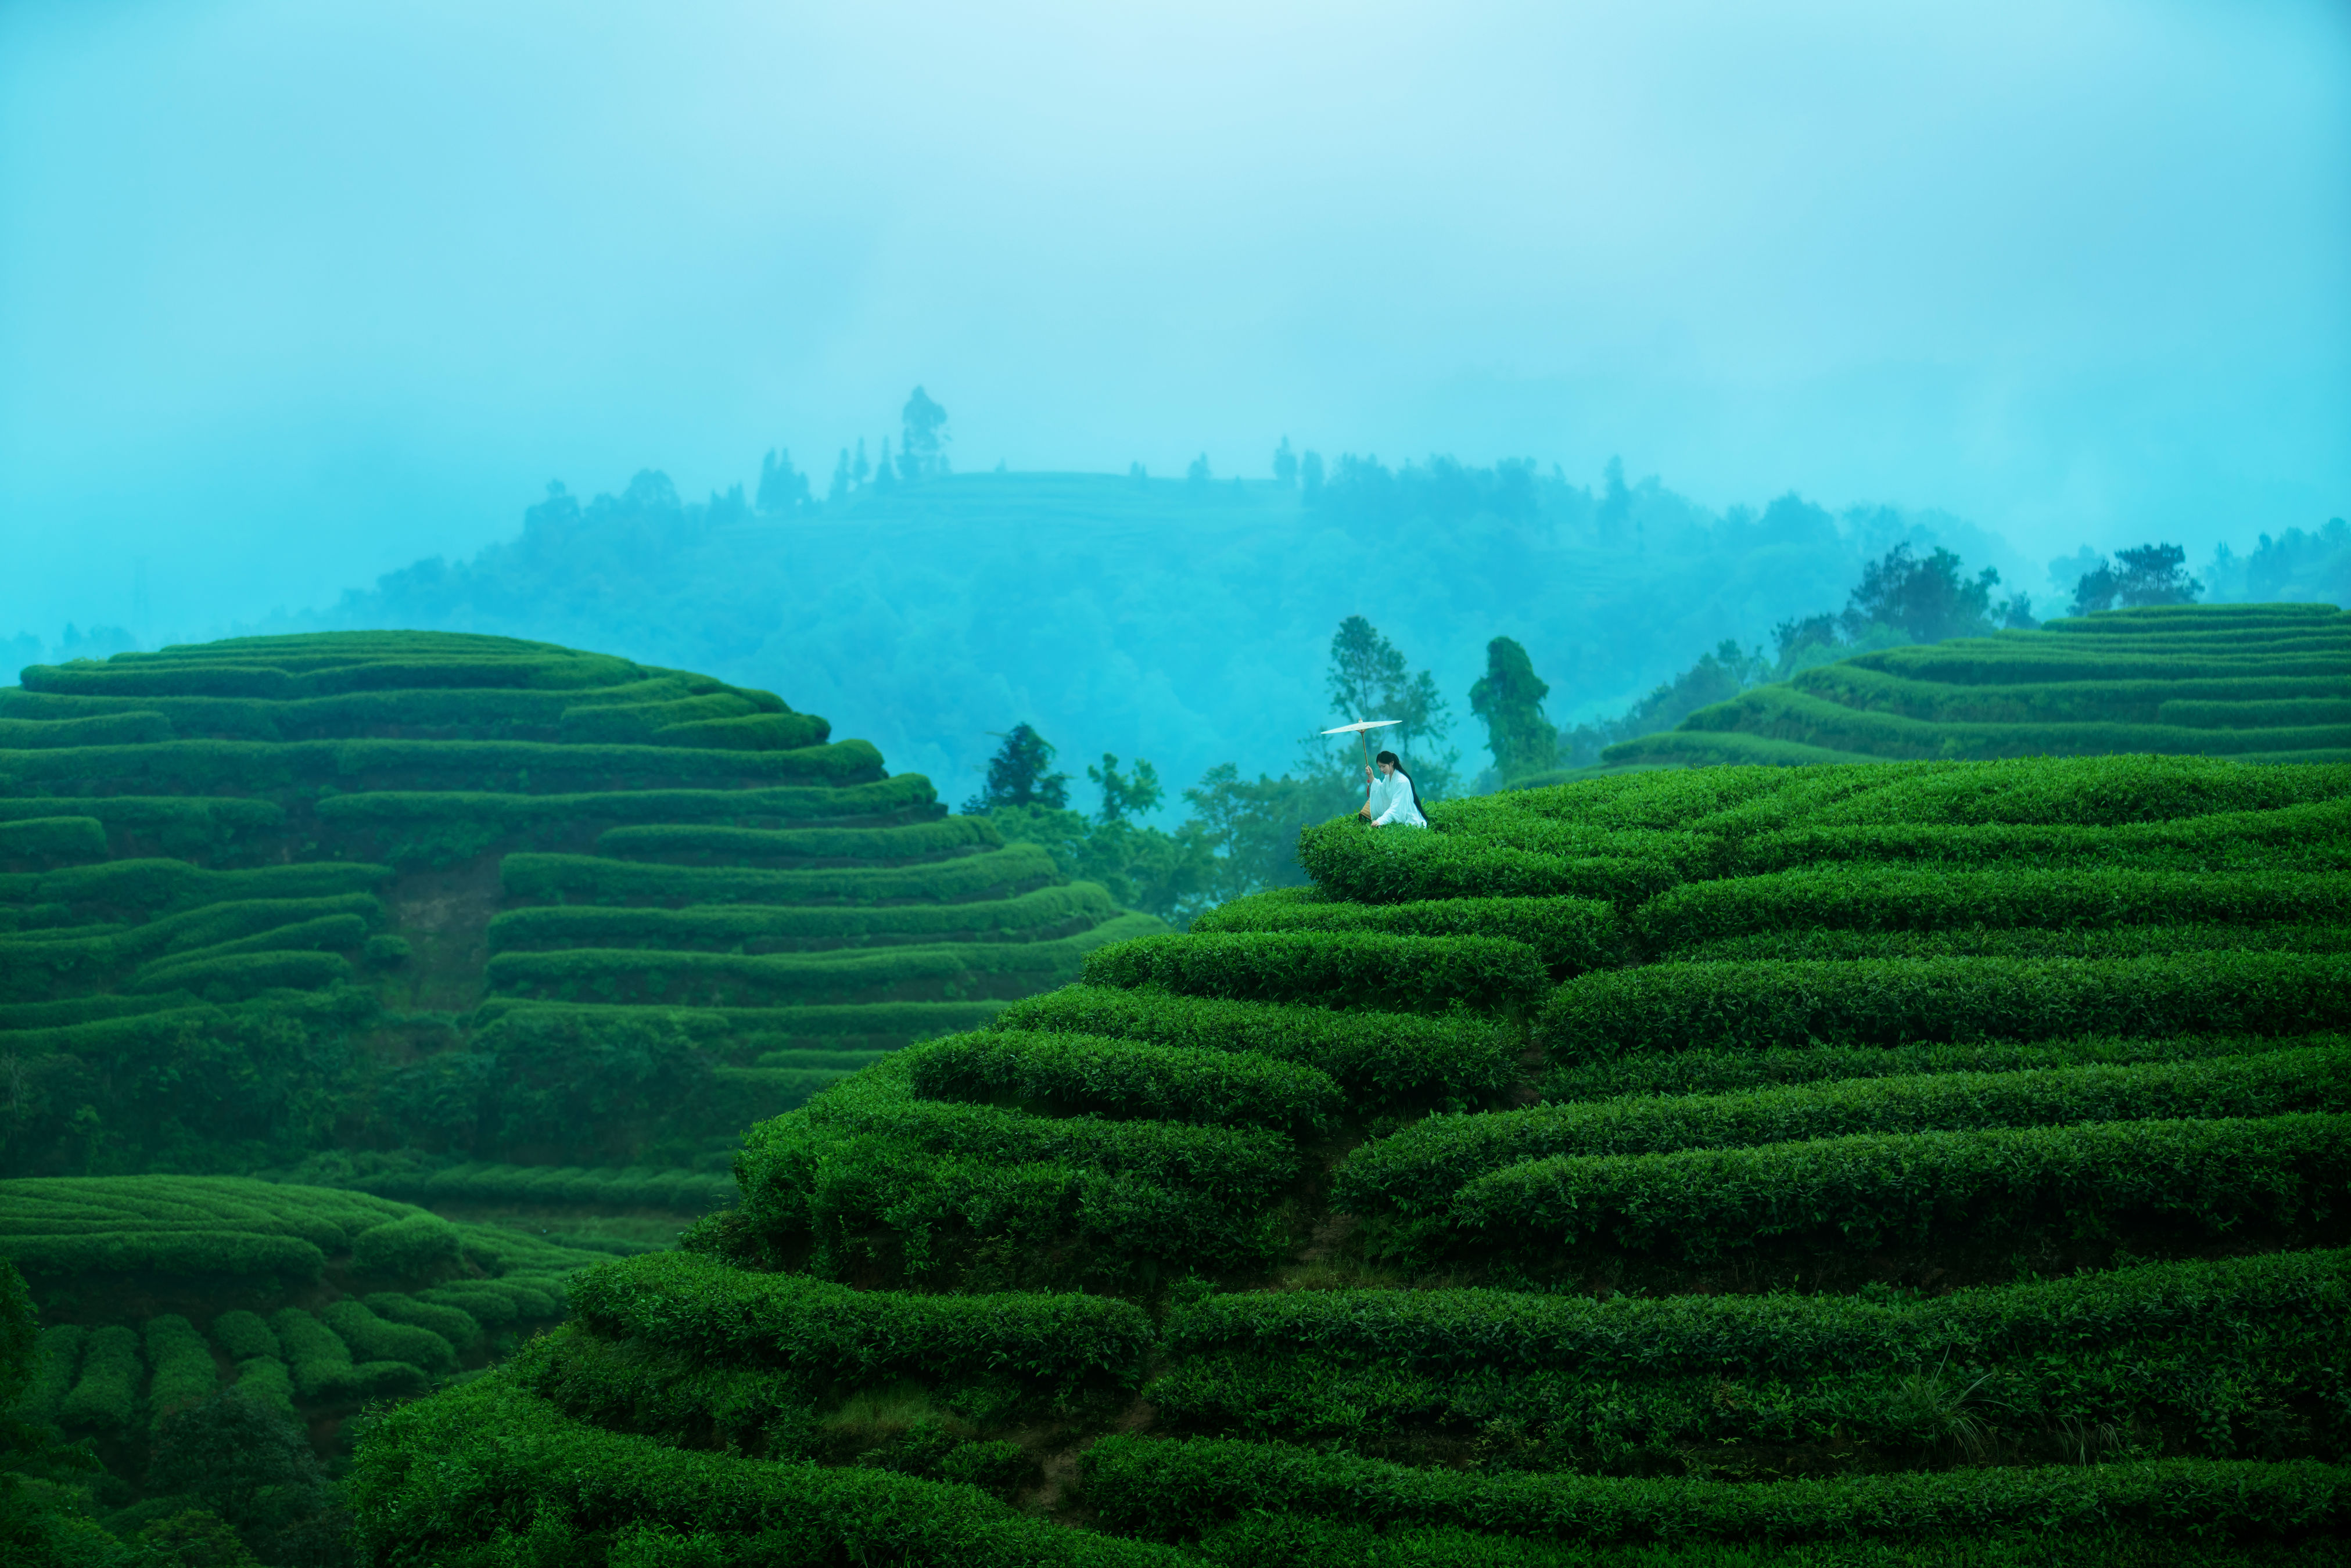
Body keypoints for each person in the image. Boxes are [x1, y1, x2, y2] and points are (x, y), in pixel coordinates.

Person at [1359, 750, 1428, 828]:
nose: (1382, 770)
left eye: (1384, 766)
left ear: (1392, 763)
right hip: (1399, 819)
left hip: (1410, 822)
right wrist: (1371, 775)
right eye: (1379, 767)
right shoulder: (1388, 777)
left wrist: (1381, 821)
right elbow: (1381, 792)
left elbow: (1396, 808)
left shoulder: (1402, 782)